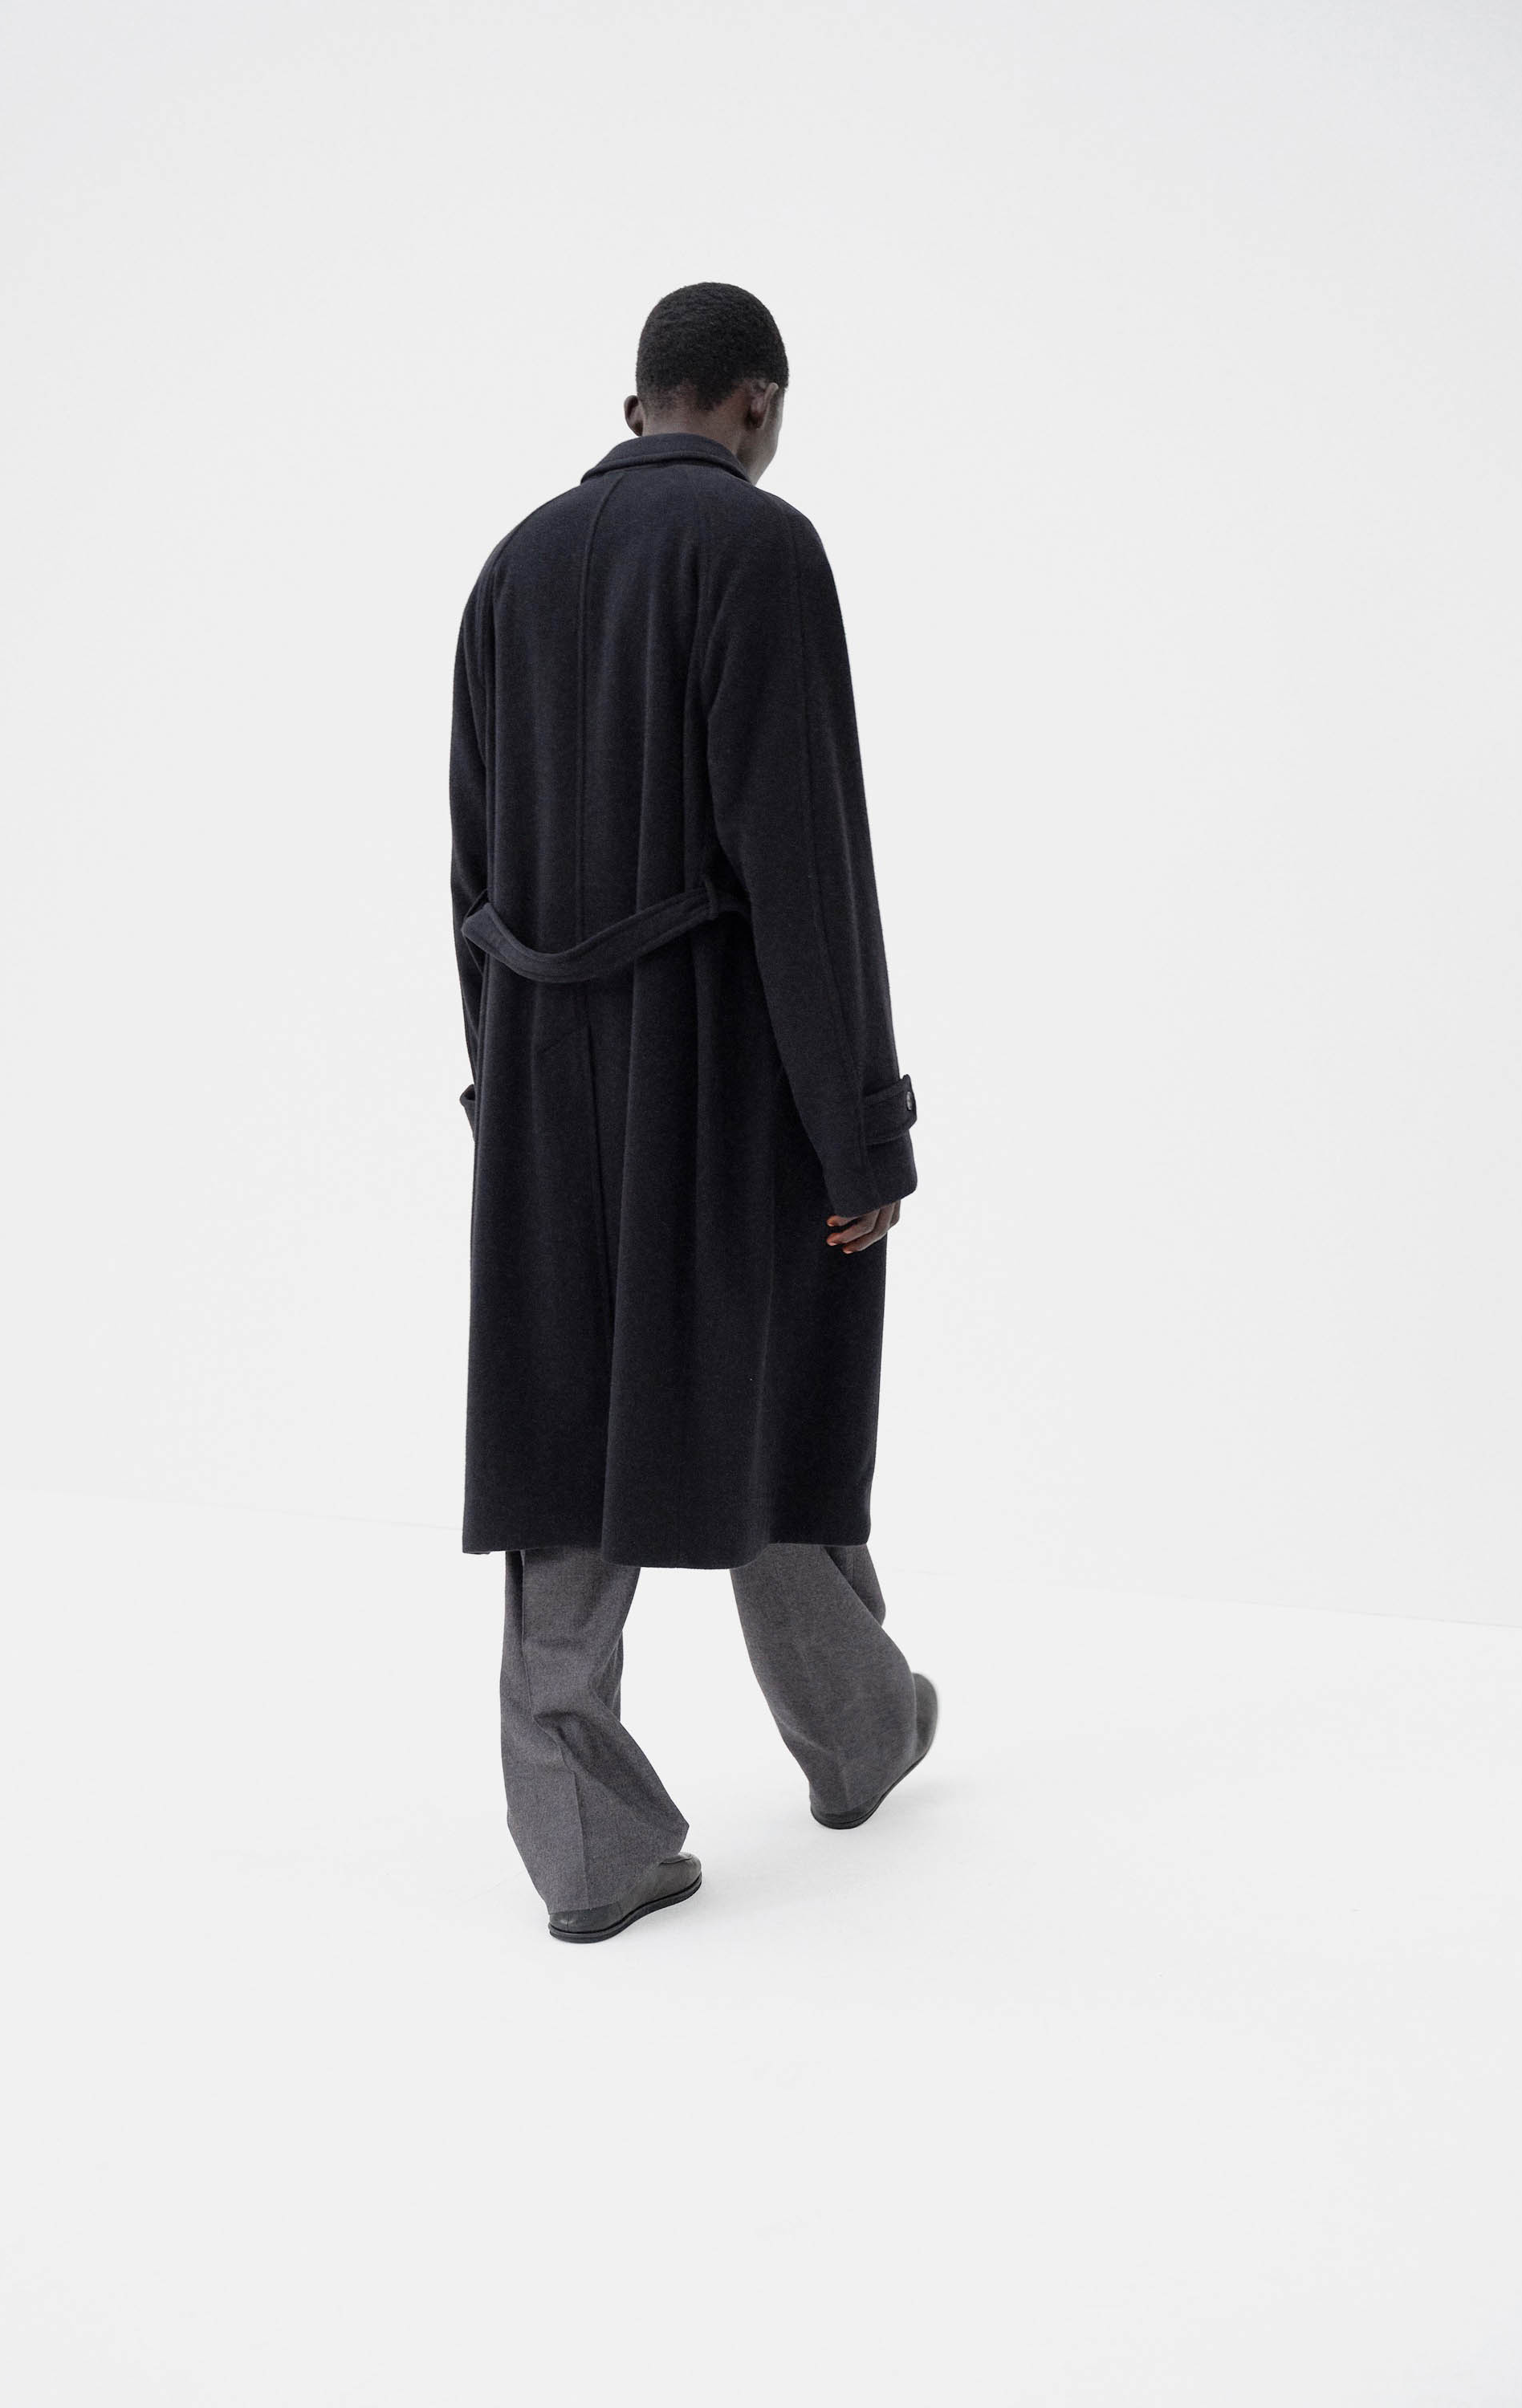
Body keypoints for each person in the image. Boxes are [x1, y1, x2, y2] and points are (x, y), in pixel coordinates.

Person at [448, 282, 936, 1942]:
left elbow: (470, 867)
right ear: (755, 403)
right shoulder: (760, 549)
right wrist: (860, 1131)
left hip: (542, 1070)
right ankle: (857, 1739)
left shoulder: (512, 568)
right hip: (722, 1071)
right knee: (764, 1387)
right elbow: (806, 860)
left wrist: (499, 1088)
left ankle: (589, 1838)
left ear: (634, 401)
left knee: (565, 1433)